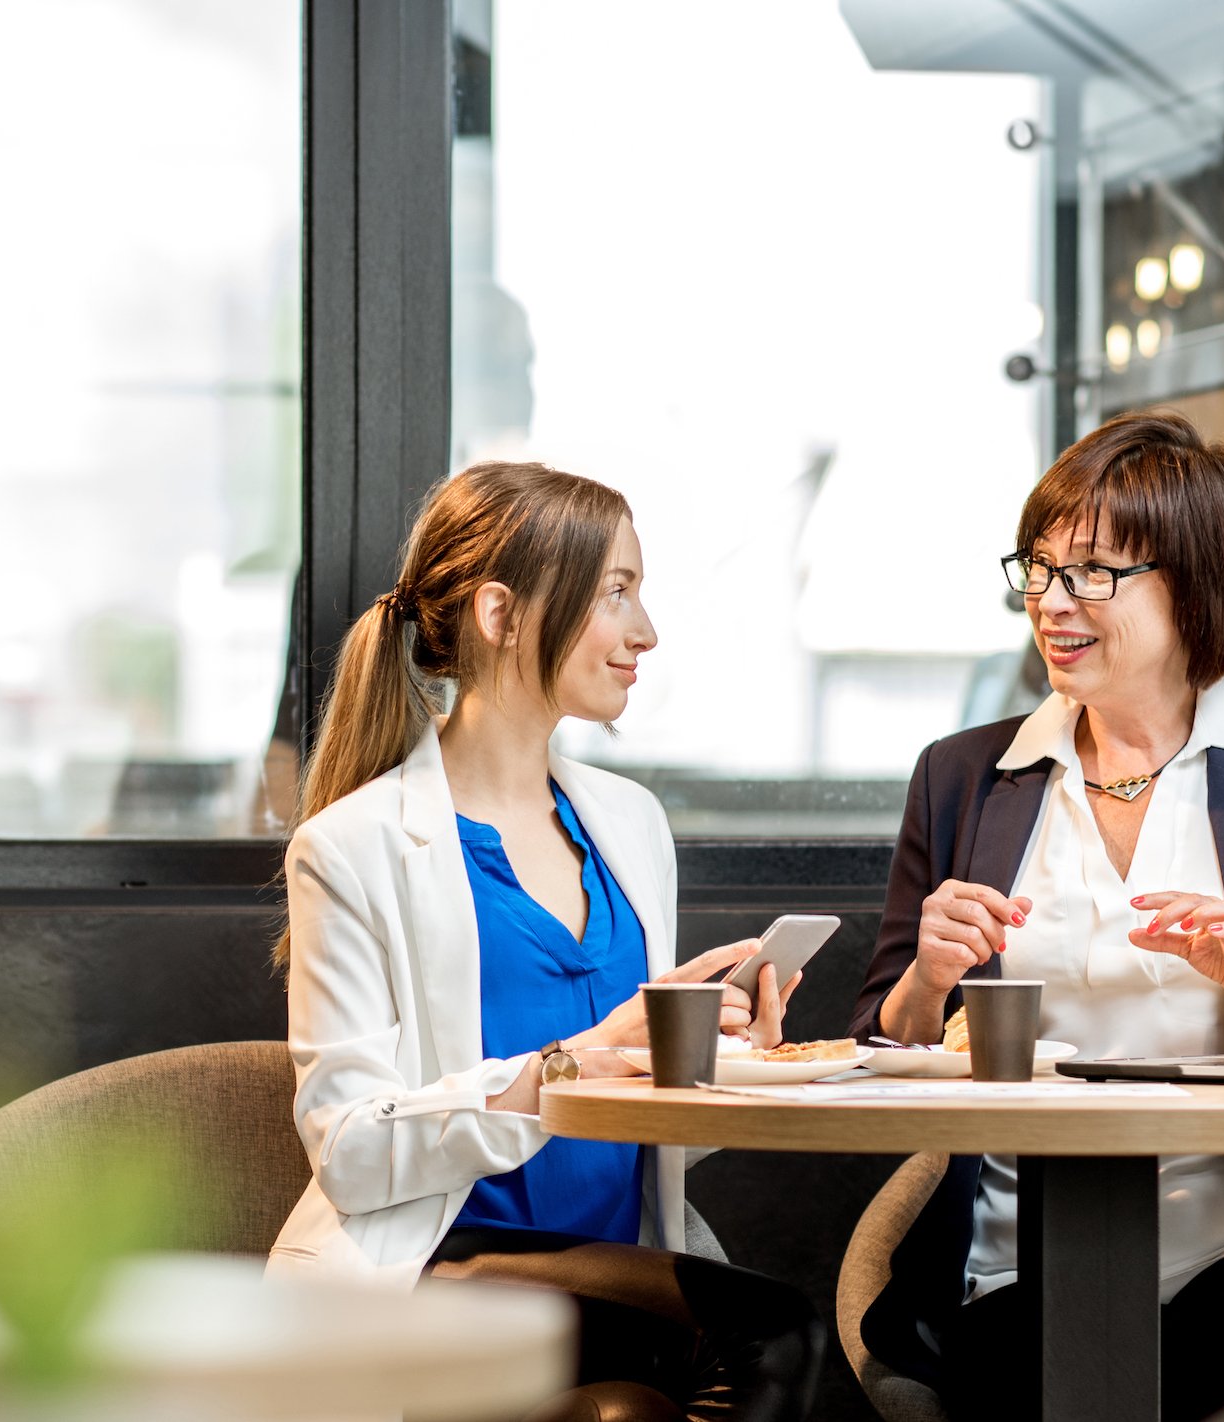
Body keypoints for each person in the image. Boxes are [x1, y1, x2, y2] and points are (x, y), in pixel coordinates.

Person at [847, 411, 1224, 1422]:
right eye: (1039, 571)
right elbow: (879, 1039)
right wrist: (925, 981)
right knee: (1050, 1368)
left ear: (1191, 583)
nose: (1052, 605)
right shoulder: (966, 776)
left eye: (1091, 572)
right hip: (1016, 1254)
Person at [268, 462, 825, 1422]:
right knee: (728, 1356)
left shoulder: (630, 822)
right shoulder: (351, 848)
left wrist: (722, 1063)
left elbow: (647, 1123)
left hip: (613, 1269)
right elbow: (352, 1149)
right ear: (501, 613)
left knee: (731, 1357)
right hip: (445, 1269)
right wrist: (576, 1059)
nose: (645, 631)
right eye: (617, 593)